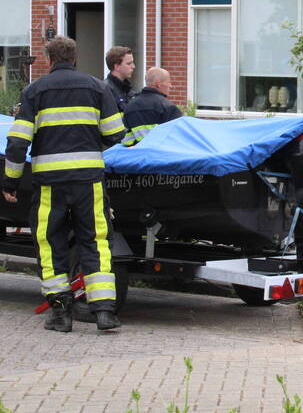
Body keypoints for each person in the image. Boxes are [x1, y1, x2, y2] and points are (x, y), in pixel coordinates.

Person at [2, 36, 126, 331]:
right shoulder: (97, 87)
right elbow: (116, 134)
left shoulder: (34, 91)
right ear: (75, 58)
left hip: (50, 183)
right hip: (89, 181)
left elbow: (17, 143)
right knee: (95, 242)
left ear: (49, 60)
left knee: (50, 244)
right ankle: (105, 312)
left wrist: (10, 182)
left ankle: (61, 315)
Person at [121, 67, 183, 146]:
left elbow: (125, 137)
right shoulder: (169, 108)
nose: (170, 86)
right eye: (169, 82)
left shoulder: (130, 106)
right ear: (159, 84)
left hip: (135, 155)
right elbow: (178, 138)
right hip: (160, 156)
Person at [104, 46, 136, 113]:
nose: (133, 66)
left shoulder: (128, 91)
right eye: (129, 63)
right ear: (117, 66)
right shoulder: (106, 90)